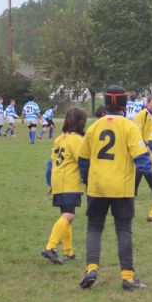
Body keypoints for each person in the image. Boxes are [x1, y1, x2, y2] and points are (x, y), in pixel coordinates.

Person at [77, 85, 152, 291]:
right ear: (124, 104)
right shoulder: (129, 127)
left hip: (97, 186)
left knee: (94, 227)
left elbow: (82, 159)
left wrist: (87, 179)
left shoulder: (94, 126)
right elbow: (142, 158)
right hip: (121, 187)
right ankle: (128, 277)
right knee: (123, 230)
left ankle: (91, 269)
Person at [42, 108, 88, 264]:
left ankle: (69, 252)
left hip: (58, 179)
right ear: (82, 122)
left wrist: (50, 183)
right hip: (69, 181)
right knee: (68, 215)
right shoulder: (77, 140)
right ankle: (50, 247)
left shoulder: (60, 138)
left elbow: (50, 163)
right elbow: (83, 162)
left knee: (67, 216)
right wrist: (89, 179)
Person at [134, 94, 152, 196]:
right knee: (144, 168)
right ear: (147, 103)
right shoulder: (142, 114)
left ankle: (134, 190)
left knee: (144, 169)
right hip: (144, 146)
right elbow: (137, 132)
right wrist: (145, 145)